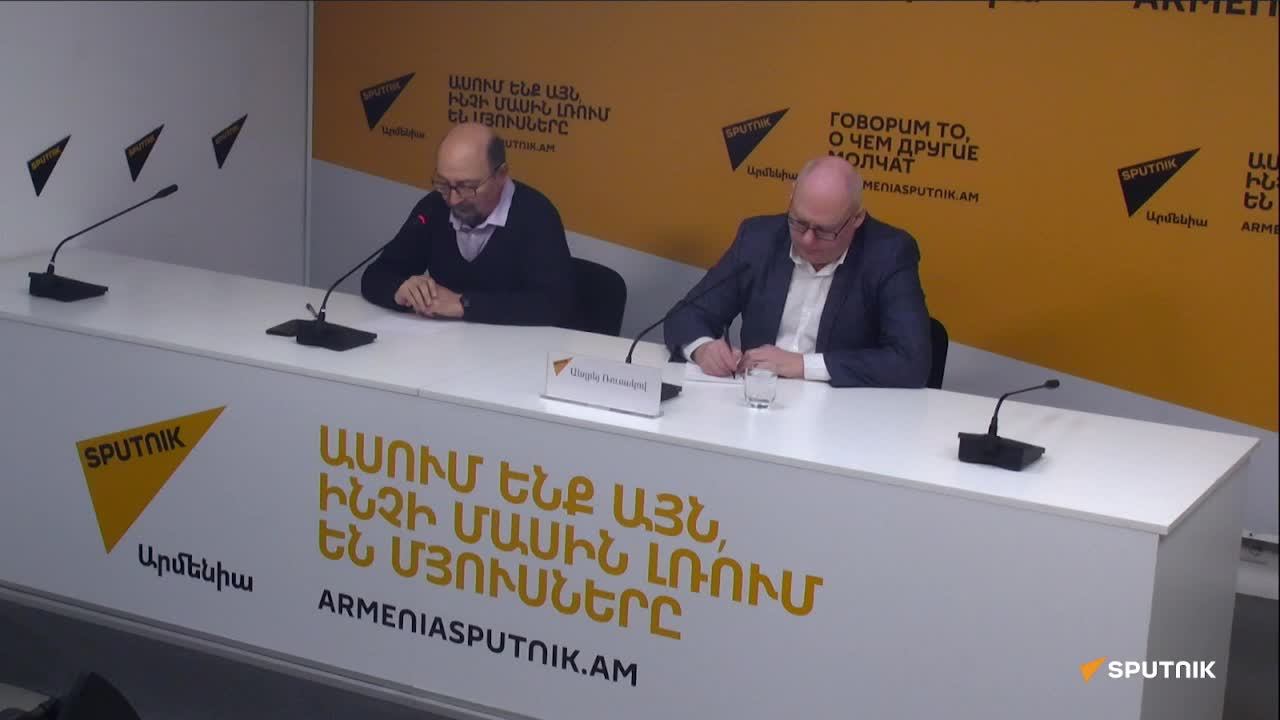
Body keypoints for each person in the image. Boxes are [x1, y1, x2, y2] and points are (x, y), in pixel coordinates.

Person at [663, 156, 932, 387]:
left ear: (857, 218)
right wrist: (702, 348)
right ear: (791, 198)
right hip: (755, 400)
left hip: (841, 415)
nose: (807, 240)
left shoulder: (888, 254)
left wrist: (803, 365)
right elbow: (687, 314)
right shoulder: (759, 239)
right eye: (799, 222)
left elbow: (911, 361)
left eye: (825, 231)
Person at [360, 123, 573, 326]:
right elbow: (375, 276)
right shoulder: (434, 207)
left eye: (467, 187)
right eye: (443, 184)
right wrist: (400, 290)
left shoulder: (536, 215)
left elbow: (554, 304)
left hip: (516, 347)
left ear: (501, 175)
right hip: (444, 344)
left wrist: (463, 304)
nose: (453, 200)